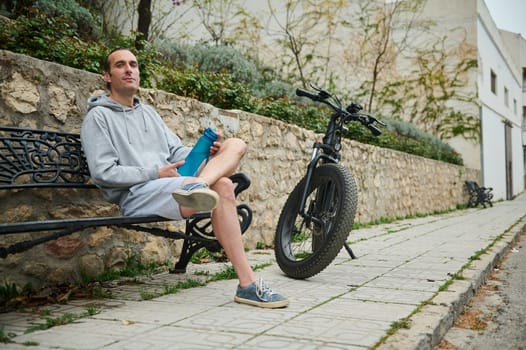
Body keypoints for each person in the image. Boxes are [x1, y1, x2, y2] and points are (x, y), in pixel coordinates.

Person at [80, 48, 288, 309]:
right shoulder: (98, 117)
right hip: (137, 193)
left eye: (133, 64)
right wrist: (155, 172)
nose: (129, 69)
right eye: (120, 65)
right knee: (223, 184)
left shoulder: (149, 114)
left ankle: (200, 186)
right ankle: (248, 283)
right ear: (108, 76)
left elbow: (176, 152)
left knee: (234, 145)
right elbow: (103, 172)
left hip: (176, 183)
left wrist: (202, 152)